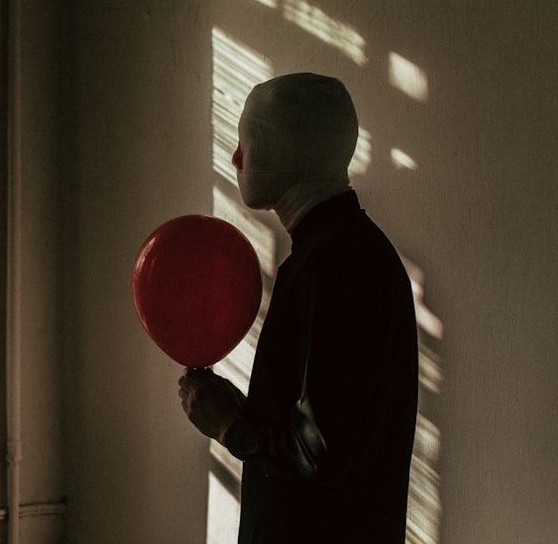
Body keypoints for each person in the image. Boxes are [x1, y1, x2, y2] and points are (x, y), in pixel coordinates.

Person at [178, 73, 418, 543]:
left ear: (284, 149)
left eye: (247, 139)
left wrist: (230, 428)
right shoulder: (350, 251)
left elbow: (316, 455)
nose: (235, 157)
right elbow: (338, 430)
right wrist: (250, 418)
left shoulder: (333, 265)